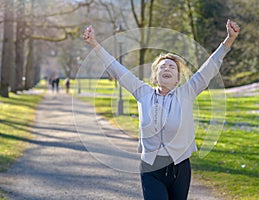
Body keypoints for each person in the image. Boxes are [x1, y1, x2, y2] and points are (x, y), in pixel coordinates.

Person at [83, 19, 240, 200]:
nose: (167, 68)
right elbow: (117, 69)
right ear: (155, 77)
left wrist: (229, 39)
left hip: (180, 168)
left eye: (171, 67)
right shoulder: (143, 92)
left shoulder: (187, 93)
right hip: (151, 168)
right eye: (162, 67)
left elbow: (210, 68)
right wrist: (94, 44)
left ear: (177, 78)